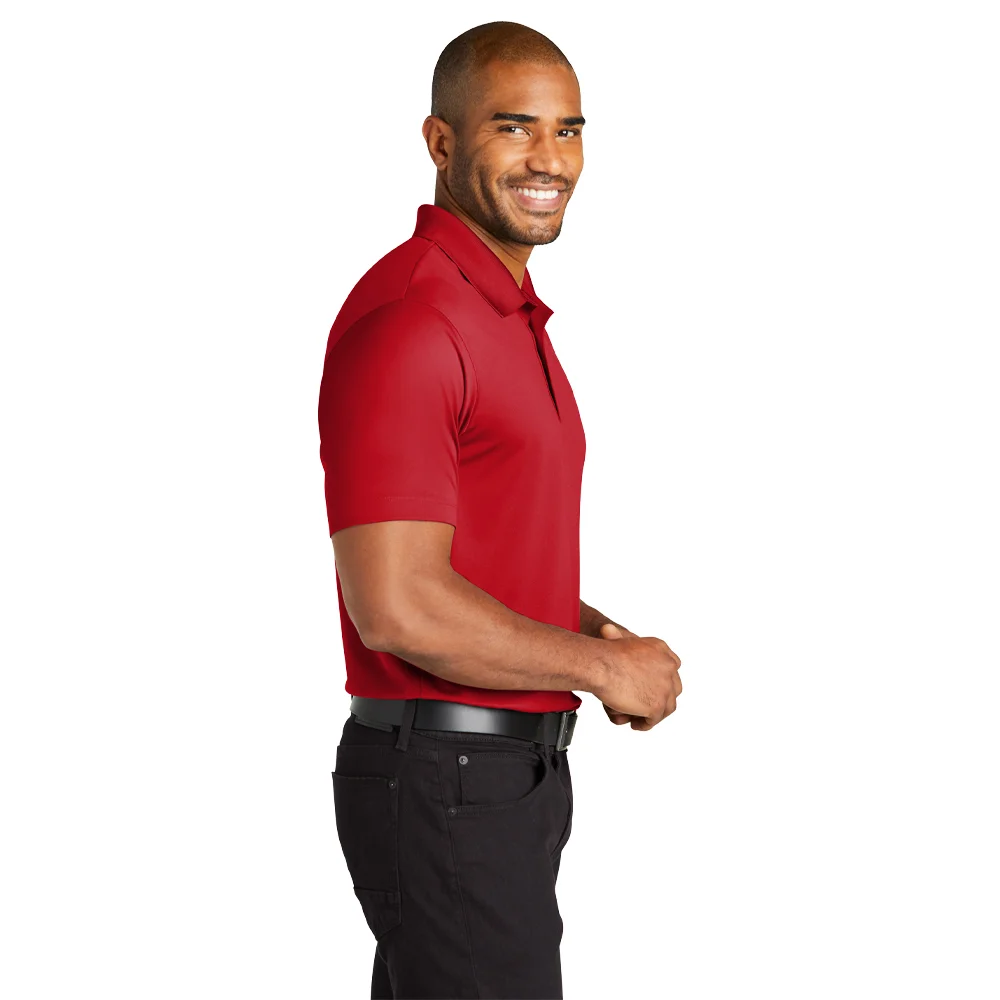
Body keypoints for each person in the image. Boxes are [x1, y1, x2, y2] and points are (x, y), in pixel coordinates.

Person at [317, 21, 682, 999]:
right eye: (514, 127)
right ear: (440, 143)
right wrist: (601, 667)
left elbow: (477, 560)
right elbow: (398, 605)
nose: (549, 159)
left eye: (568, 130)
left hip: (496, 779)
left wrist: (590, 632)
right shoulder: (413, 320)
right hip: (446, 777)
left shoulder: (505, 315)